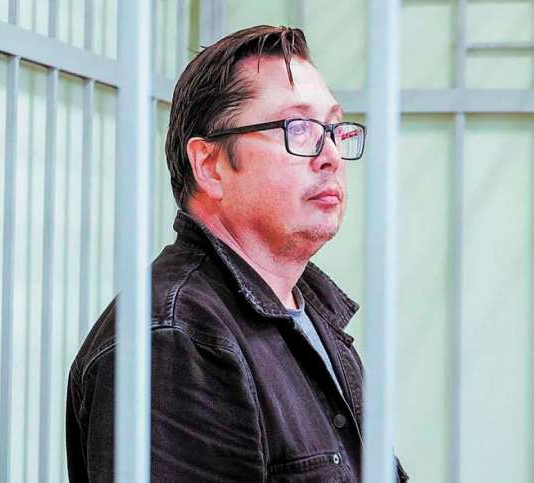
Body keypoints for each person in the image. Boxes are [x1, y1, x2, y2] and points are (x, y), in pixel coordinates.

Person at [66, 25, 408, 482]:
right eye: (299, 128)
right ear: (210, 166)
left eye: (334, 128)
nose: (330, 155)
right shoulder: (176, 340)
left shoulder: (311, 313)